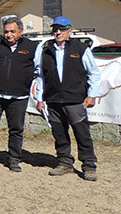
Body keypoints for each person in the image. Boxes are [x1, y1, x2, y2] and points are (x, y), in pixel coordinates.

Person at [34, 16, 101, 181]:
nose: (58, 32)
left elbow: (94, 73)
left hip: (75, 100)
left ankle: (89, 166)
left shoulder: (81, 48)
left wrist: (92, 95)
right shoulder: (45, 51)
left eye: (62, 29)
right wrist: (40, 99)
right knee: (59, 134)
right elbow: (41, 76)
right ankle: (64, 162)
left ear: (70, 31)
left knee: (82, 134)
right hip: (53, 100)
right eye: (55, 29)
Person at [0, 16, 38, 172]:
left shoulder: (32, 47)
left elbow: (38, 69)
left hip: (19, 97)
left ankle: (14, 159)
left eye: (12, 31)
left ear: (21, 32)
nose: (9, 35)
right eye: (6, 32)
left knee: (16, 129)